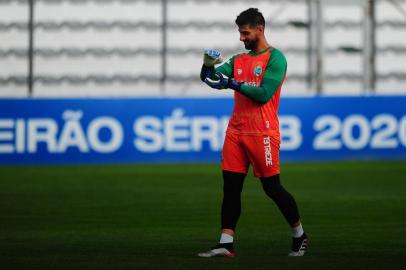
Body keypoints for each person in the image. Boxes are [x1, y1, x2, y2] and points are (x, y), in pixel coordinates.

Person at [198, 8, 308, 257]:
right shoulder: (238, 60)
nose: (241, 38)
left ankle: (299, 235)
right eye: (239, 32)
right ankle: (226, 243)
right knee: (231, 187)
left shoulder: (276, 58)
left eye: (245, 32)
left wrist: (233, 83)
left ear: (260, 29)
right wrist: (206, 68)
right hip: (236, 131)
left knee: (272, 188)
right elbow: (215, 78)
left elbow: (263, 95)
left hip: (263, 132)